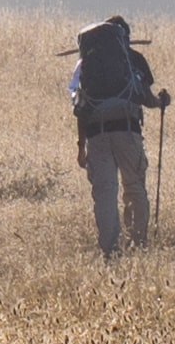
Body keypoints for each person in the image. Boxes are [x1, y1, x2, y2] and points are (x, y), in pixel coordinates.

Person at [70, 14, 165, 257]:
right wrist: (162, 102)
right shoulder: (133, 60)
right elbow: (146, 97)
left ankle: (110, 251)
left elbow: (80, 107)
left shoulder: (84, 64)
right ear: (125, 38)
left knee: (105, 193)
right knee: (134, 187)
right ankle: (138, 244)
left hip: (96, 135)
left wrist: (81, 147)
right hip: (126, 129)